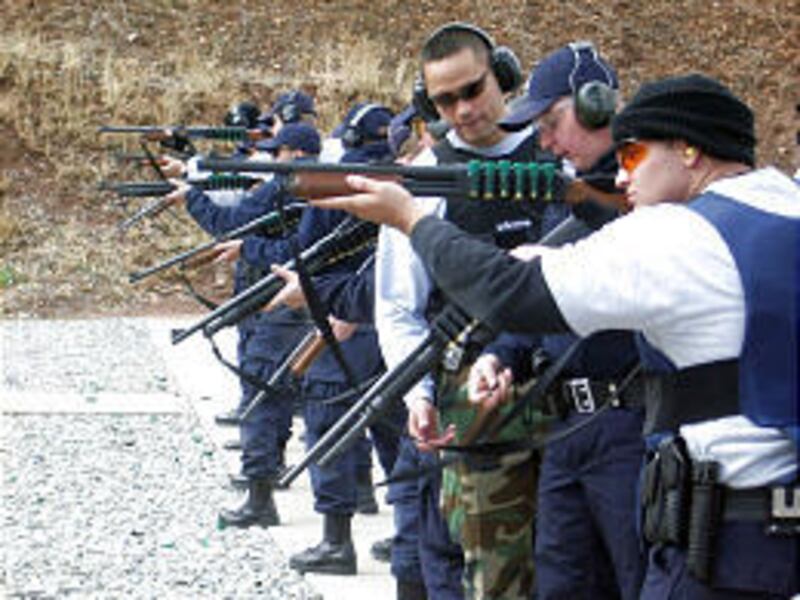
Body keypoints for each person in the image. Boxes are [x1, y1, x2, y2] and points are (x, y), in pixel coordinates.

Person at [315, 73, 800, 599]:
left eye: (634, 155)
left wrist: (411, 218)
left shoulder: (680, 234)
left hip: (720, 543)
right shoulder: (784, 206)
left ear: (688, 149)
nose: (620, 176)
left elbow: (510, 293)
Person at [374, 22, 550, 600]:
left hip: (573, 408)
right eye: (445, 100)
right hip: (476, 414)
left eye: (472, 90)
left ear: (501, 76)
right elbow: (399, 308)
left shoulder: (554, 154)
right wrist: (419, 396)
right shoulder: (424, 179)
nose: (463, 110)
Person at [471, 42, 647, 600]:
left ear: (598, 106)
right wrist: (501, 354)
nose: (545, 141)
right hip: (565, 423)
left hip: (629, 422)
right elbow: (541, 294)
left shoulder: (646, 191)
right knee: (560, 584)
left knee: (639, 581)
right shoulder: (566, 191)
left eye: (553, 122)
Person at [163, 123, 323, 528]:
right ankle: (279, 478)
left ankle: (260, 495)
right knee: (284, 391)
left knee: (262, 392)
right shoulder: (313, 183)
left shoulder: (291, 185)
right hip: (299, 298)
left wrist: (194, 199)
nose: (273, 158)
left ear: (296, 154)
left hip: (281, 300)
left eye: (279, 151)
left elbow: (233, 225)